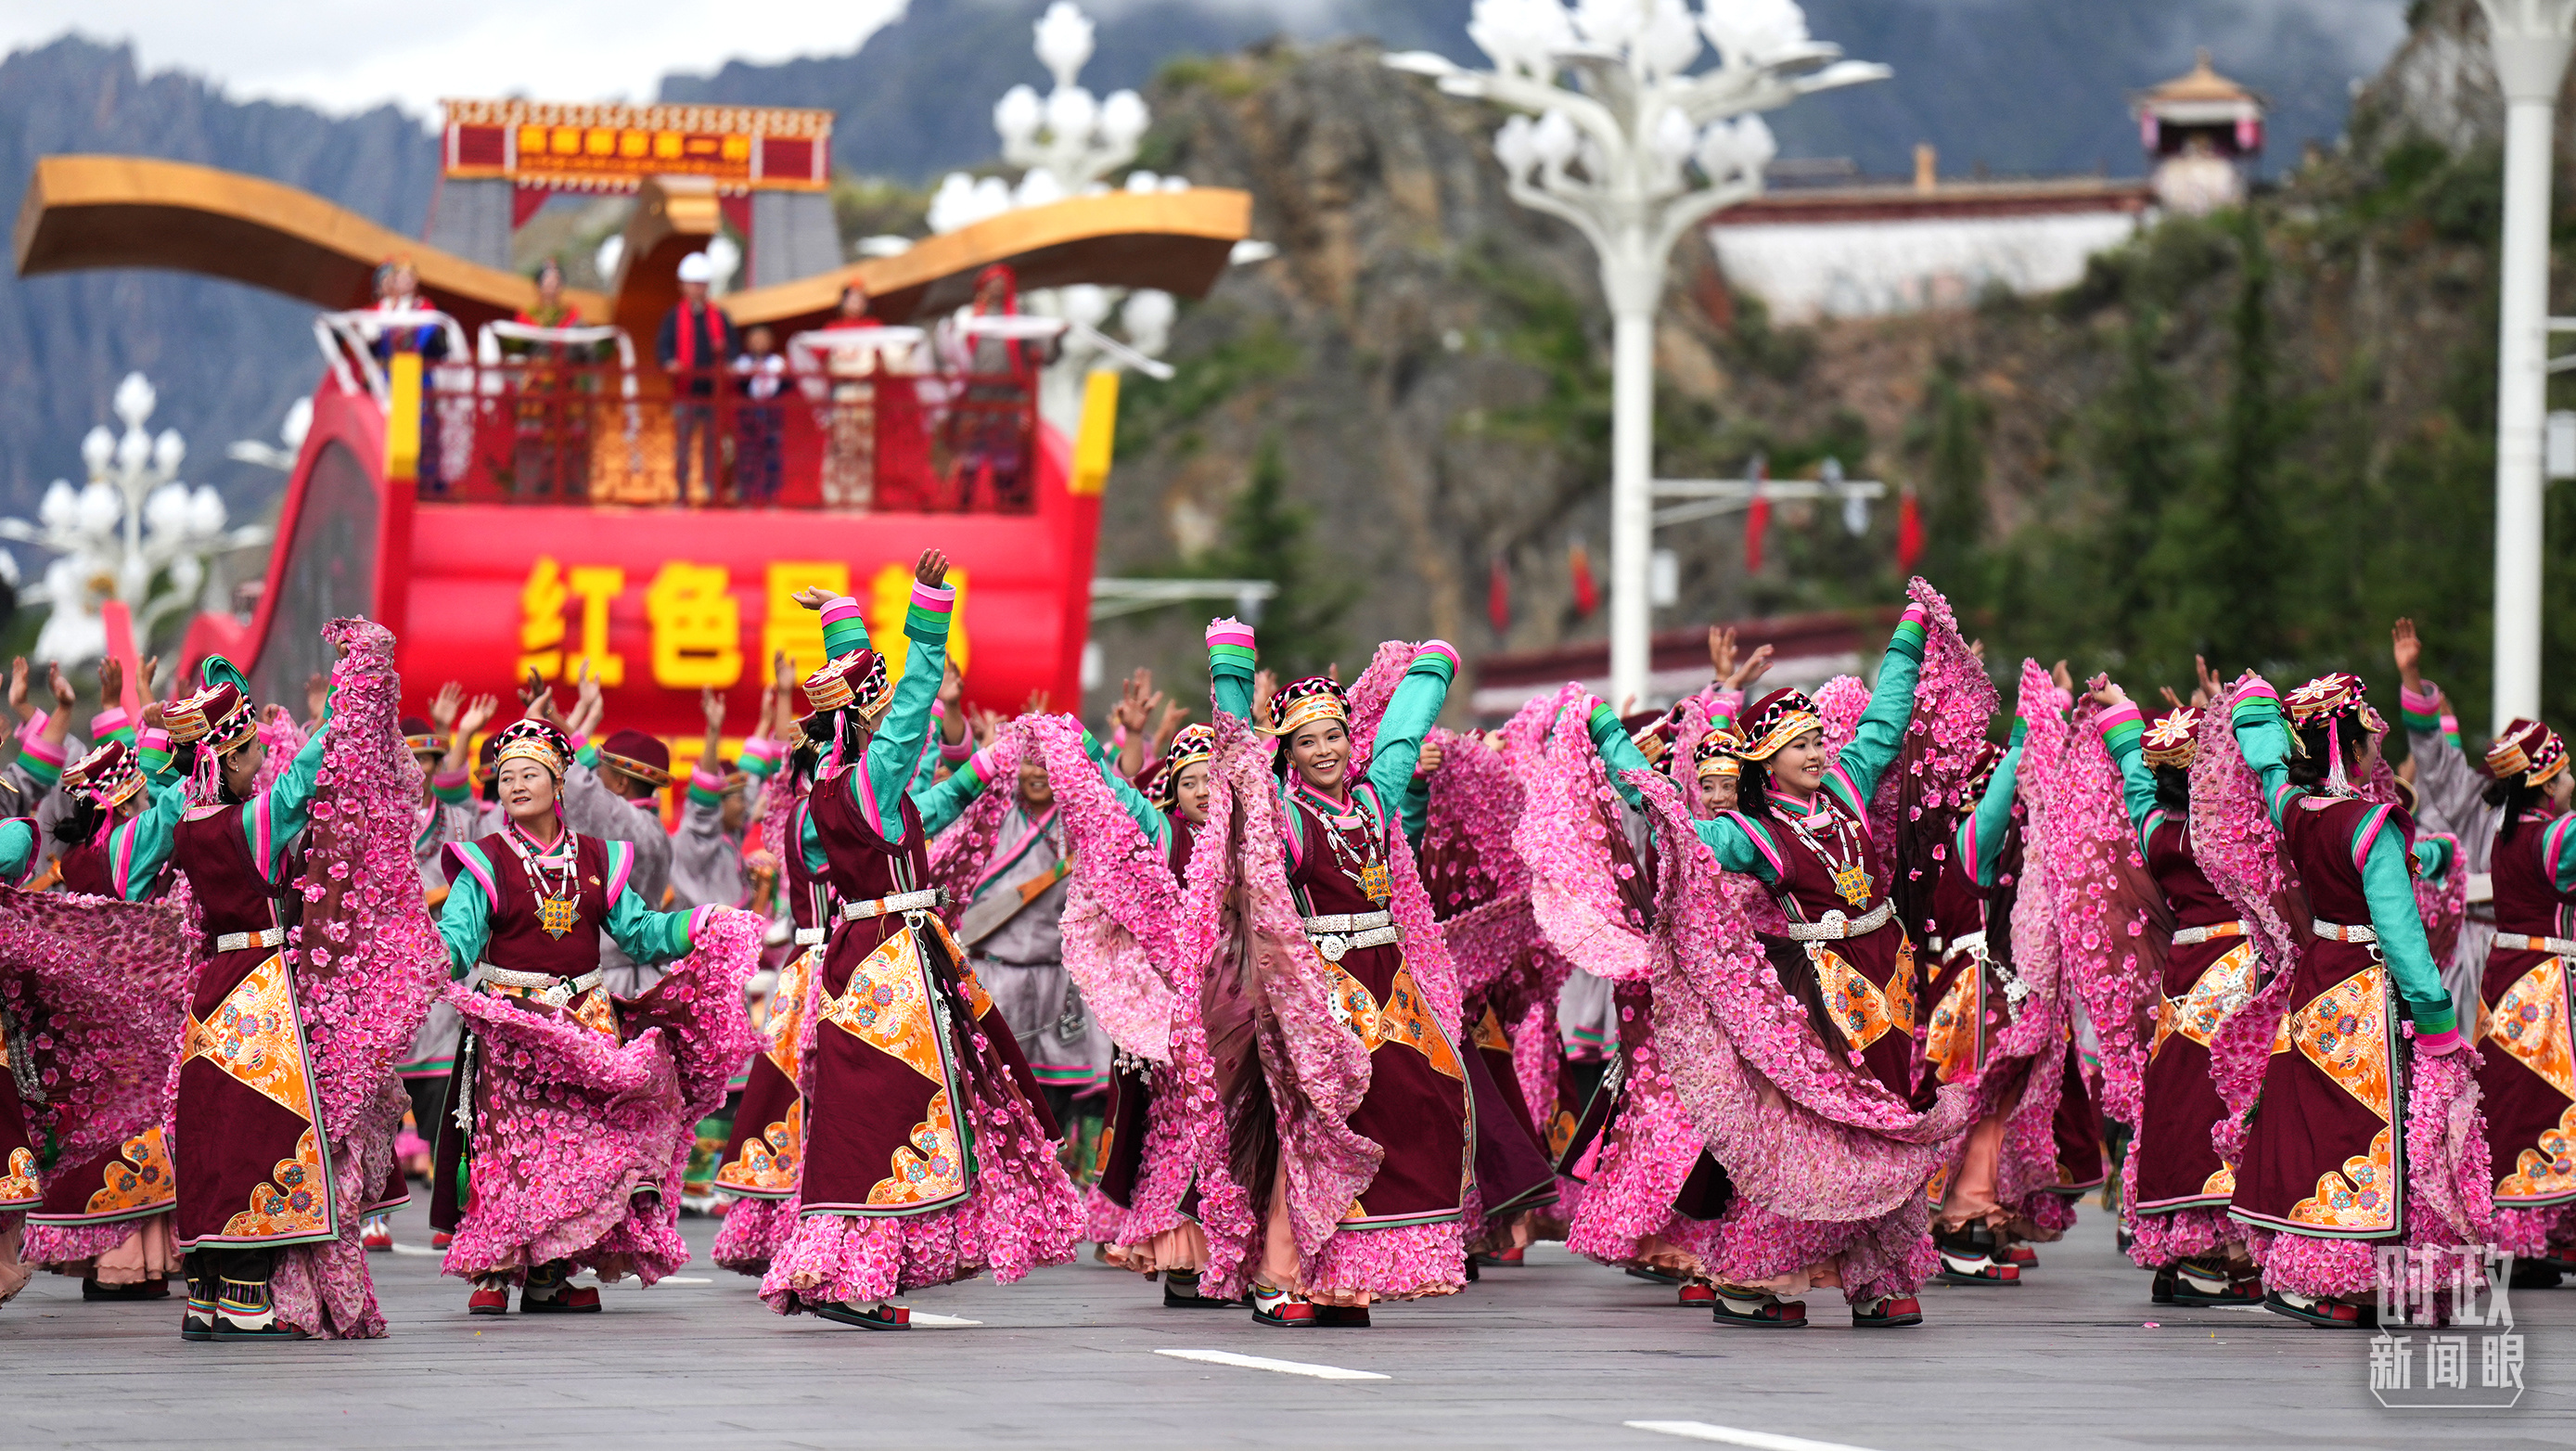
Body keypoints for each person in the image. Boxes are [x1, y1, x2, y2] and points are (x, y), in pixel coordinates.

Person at [1576, 596, 1983, 1330]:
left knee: (1889, 1124)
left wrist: (1908, 634)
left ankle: (1878, 1276)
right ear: (1766, 763)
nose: (1818, 753)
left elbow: (1885, 721)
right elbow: (1677, 824)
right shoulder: (1754, 833)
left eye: (1818, 740)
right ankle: (1751, 1276)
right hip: (1819, 997)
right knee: (1818, 1135)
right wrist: (1611, 740)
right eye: (1800, 747)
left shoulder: (1849, 785)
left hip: (1888, 984)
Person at [758, 551, 1080, 1329]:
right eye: (882, 716)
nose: (899, 725)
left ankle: (851, 1272)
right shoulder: (867, 785)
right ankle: (850, 1278)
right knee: (891, 1118)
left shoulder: (852, 795)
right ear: (867, 722)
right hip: (888, 968)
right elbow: (911, 699)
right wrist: (929, 608)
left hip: (872, 959)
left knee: (877, 1122)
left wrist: (840, 615)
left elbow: (940, 798)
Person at [429, 716, 759, 1316]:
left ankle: (548, 1276)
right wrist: (425, 959)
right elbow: (459, 938)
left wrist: (702, 921)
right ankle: (495, 1272)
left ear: (559, 783)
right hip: (512, 1027)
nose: (516, 785)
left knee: (574, 1151)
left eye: (530, 774)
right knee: (511, 1151)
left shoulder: (596, 857)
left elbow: (640, 932)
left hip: (584, 1023)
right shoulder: (485, 861)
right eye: (506, 777)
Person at [1201, 619, 1469, 1328]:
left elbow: (1402, 742)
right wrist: (1230, 665)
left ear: (1351, 741)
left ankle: (1342, 1277)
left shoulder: (1374, 801)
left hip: (1388, 985)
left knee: (1411, 1111)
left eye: (1333, 737)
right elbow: (1238, 761)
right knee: (1316, 1127)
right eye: (1306, 742)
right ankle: (1278, 1276)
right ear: (1287, 753)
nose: (1323, 751)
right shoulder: (1283, 817)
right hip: (1313, 989)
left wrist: (1433, 666)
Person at [2218, 671, 2475, 1328]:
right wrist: (2436, 1017)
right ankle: (2344, 1278)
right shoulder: (2370, 825)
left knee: (2322, 1135)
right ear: (2345, 746)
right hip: (2365, 991)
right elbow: (2401, 934)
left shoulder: (2294, 810)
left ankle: (2316, 1275)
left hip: (2316, 986)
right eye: (2368, 736)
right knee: (2364, 1134)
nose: (2375, 748)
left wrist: (2255, 699)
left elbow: (2268, 766)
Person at [2088, 688, 2264, 1306]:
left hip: (2183, 974)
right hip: (2235, 970)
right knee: (2226, 1107)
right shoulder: (2231, 826)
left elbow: (2135, 781)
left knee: (2181, 1104)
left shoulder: (2154, 827)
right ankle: (2213, 1256)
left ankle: (2181, 1251)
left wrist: (2119, 716)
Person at [2464, 715, 2576, 1278]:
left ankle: (2529, 1233)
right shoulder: (2558, 836)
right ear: (2549, 781)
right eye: (2567, 772)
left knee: (2511, 1102)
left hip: (2504, 977)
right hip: (2543, 984)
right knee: (2545, 1101)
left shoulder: (2505, 835)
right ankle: (2536, 1237)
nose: (2572, 781)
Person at [504, 258, 597, 499]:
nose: (552, 286)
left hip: (567, 383)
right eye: (547, 281)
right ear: (538, 286)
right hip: (536, 384)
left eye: (556, 281)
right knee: (532, 437)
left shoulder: (573, 316)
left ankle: (570, 487)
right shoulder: (526, 316)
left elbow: (589, 351)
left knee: (570, 436)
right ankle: (530, 485)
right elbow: (515, 350)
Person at [657, 252, 736, 506]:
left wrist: (729, 362)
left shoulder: (719, 317)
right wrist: (670, 363)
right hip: (686, 392)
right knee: (683, 447)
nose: (697, 289)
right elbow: (663, 347)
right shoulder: (673, 317)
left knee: (713, 446)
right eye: (692, 283)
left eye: (701, 284)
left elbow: (733, 347)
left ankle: (712, 493)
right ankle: (682, 494)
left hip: (713, 394)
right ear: (683, 286)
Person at [733, 326, 788, 506]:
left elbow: (787, 384)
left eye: (763, 338)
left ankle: (772, 497)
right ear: (748, 342)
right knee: (747, 454)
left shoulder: (778, 362)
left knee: (772, 454)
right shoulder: (741, 362)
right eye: (755, 339)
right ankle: (746, 497)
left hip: (772, 412)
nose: (759, 342)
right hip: (748, 413)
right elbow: (736, 385)